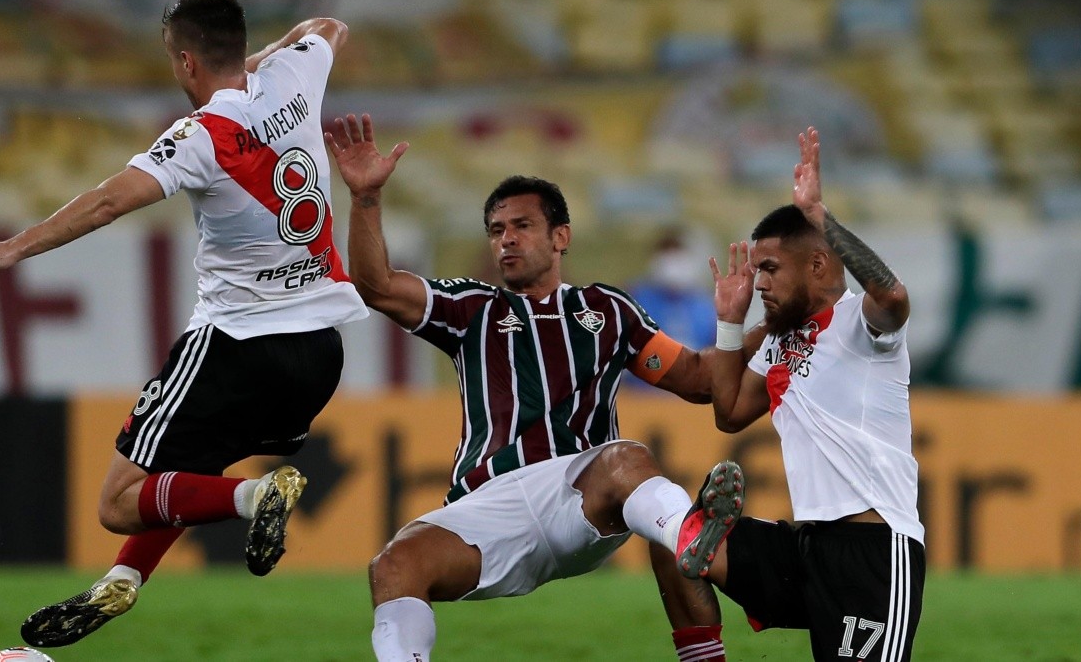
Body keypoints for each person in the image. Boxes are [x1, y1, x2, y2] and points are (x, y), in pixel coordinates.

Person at [0, 0, 362, 647]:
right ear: (238, 47)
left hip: (236, 344)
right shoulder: (297, 75)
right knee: (180, 472)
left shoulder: (198, 136)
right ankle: (126, 579)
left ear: (187, 62)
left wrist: (10, 248)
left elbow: (108, 202)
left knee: (118, 502)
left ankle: (255, 498)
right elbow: (328, 25)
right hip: (319, 352)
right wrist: (264, 61)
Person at [324, 113, 765, 662]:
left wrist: (751, 327)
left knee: (629, 462)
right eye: (495, 230)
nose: (505, 239)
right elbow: (375, 285)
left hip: (576, 497)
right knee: (393, 566)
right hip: (488, 505)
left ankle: (695, 545)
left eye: (521, 226)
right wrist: (365, 197)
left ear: (561, 237)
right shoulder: (471, 309)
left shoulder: (608, 311)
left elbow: (700, 381)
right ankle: (693, 535)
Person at [698, 127, 924, 661]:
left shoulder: (861, 327)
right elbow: (729, 413)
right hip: (805, 545)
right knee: (680, 536)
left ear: (818, 264)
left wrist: (821, 217)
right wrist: (730, 323)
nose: (759, 285)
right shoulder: (779, 343)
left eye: (770, 269)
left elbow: (891, 293)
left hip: (874, 550)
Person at [626, 229, 718, 385]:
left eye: (678, 256)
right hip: (641, 394)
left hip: (690, 394)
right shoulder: (637, 297)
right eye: (668, 256)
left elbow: (717, 347)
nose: (673, 265)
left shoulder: (704, 303)